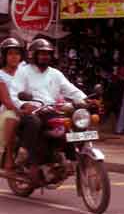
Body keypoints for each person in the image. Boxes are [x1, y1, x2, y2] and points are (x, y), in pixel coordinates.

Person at [11, 38, 89, 185]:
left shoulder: (55, 73)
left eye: (47, 54)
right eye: (41, 54)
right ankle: (25, 153)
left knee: (68, 125)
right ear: (33, 55)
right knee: (34, 122)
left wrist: (85, 100)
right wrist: (23, 104)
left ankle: (69, 160)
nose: (44, 57)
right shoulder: (23, 72)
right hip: (32, 112)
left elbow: (71, 89)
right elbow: (14, 93)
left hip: (51, 110)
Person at [0, 38, 24, 174]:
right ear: (4, 56)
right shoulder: (1, 75)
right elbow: (6, 100)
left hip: (29, 107)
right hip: (10, 109)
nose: (14, 57)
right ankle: (8, 156)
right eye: (10, 53)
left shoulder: (26, 70)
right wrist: (19, 110)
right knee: (11, 118)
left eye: (17, 53)